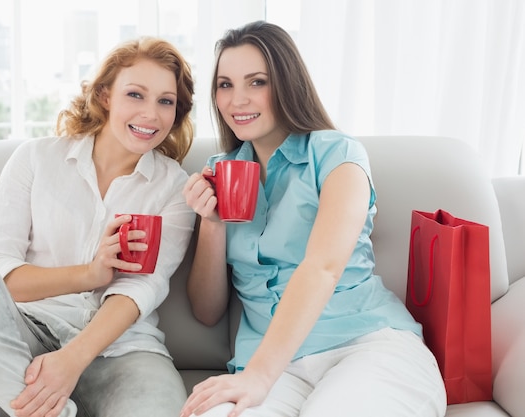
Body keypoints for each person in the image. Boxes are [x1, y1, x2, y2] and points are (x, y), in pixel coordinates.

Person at [0, 36, 195, 417]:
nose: (150, 114)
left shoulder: (174, 187)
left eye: (165, 101)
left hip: (124, 354)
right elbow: (1, 274)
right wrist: (89, 274)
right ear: (105, 95)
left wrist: (70, 361)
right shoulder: (36, 159)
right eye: (135, 94)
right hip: (17, 344)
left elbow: (141, 288)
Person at [180, 21, 447, 417]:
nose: (237, 100)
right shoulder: (220, 171)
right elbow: (207, 311)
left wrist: (258, 377)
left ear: (287, 83)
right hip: (272, 366)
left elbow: (322, 266)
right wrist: (212, 222)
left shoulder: (338, 155)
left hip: (364, 344)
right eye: (225, 85)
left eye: (257, 82)